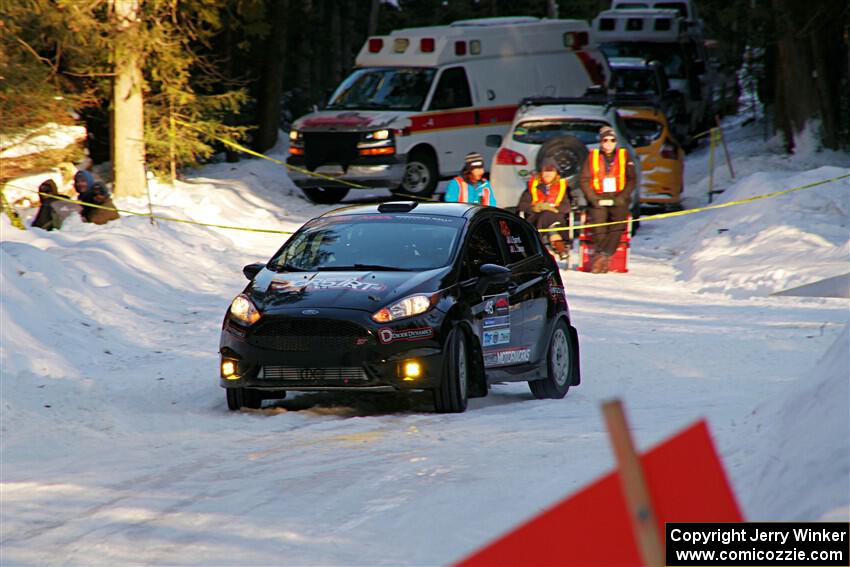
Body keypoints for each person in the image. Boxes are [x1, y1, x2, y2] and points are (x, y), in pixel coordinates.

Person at [580, 126, 636, 274]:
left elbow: (632, 179)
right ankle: (603, 258)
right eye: (605, 140)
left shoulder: (624, 155)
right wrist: (593, 198)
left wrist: (622, 197)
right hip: (598, 196)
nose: (609, 143)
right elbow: (584, 179)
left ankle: (602, 256)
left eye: (612, 140)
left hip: (618, 197)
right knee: (599, 226)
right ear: (601, 142)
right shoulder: (592, 156)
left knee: (618, 225)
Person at [517, 158, 572, 261]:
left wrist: (553, 208)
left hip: (556, 218)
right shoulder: (533, 186)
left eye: (551, 171)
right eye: (545, 171)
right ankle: (560, 249)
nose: (548, 174)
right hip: (536, 218)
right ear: (541, 172)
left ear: (556, 173)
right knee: (546, 219)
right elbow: (522, 205)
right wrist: (534, 208)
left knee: (547, 215)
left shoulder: (562, 187)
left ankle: (538, 247)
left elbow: (567, 207)